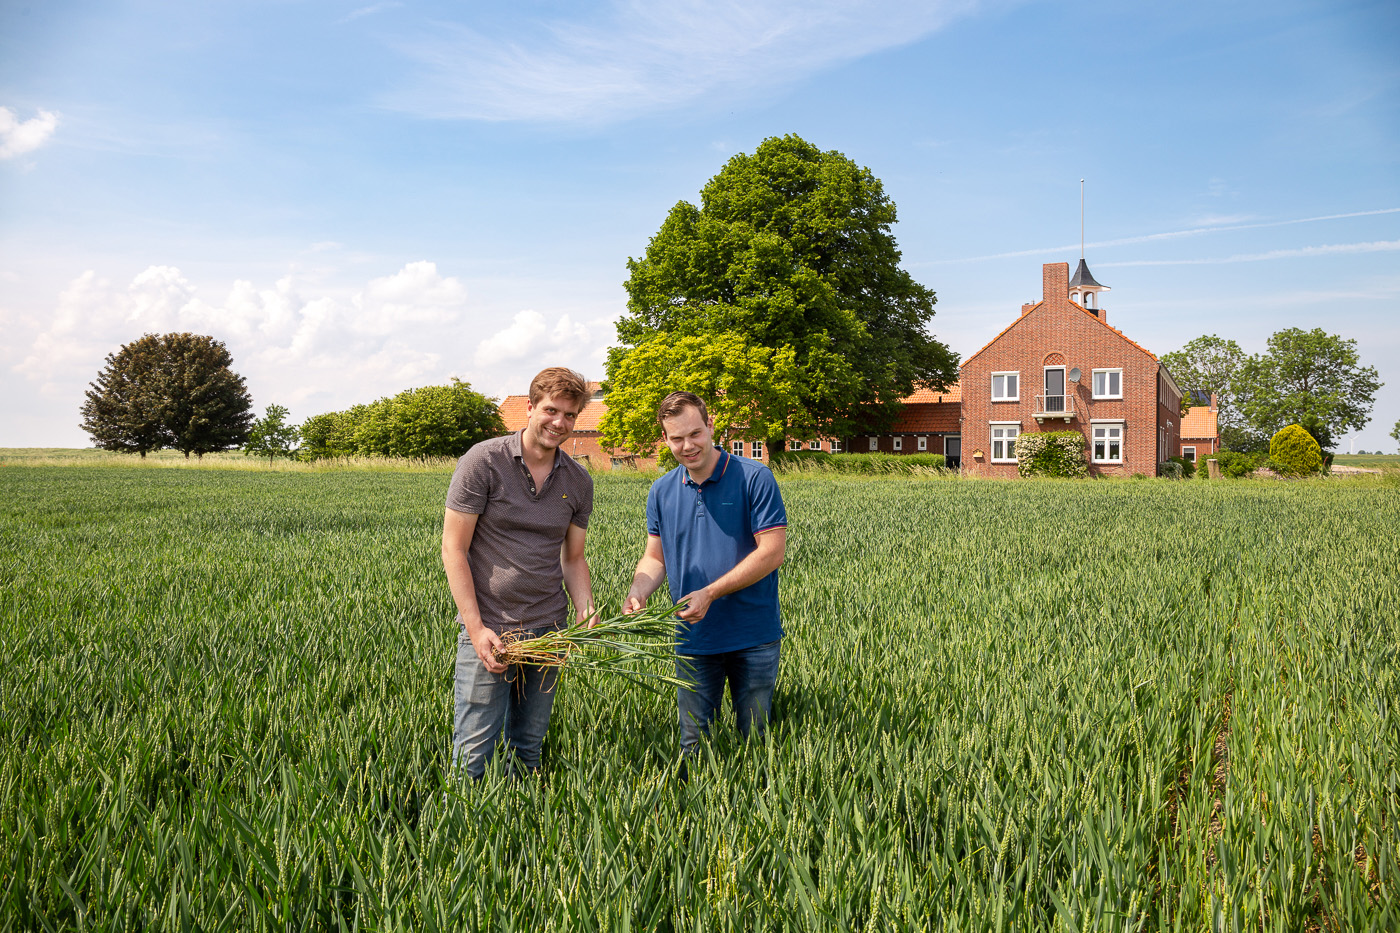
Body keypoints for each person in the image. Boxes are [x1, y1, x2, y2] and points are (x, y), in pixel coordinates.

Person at [442, 367, 597, 778]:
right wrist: (476, 629)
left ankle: (520, 830)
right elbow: (453, 549)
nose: (559, 423)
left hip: (549, 631)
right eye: (551, 410)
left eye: (569, 415)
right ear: (529, 408)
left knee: (527, 750)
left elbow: (573, 557)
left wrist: (584, 611)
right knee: (472, 753)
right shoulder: (484, 462)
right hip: (492, 629)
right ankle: (461, 833)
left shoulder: (579, 480)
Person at [623, 391, 787, 753]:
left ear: (711, 426)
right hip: (693, 637)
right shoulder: (661, 490)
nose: (687, 446)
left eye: (695, 433)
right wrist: (639, 591)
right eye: (676, 438)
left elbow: (772, 552)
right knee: (694, 743)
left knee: (755, 741)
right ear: (664, 439)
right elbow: (656, 558)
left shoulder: (754, 478)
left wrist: (710, 593)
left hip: (753, 635)